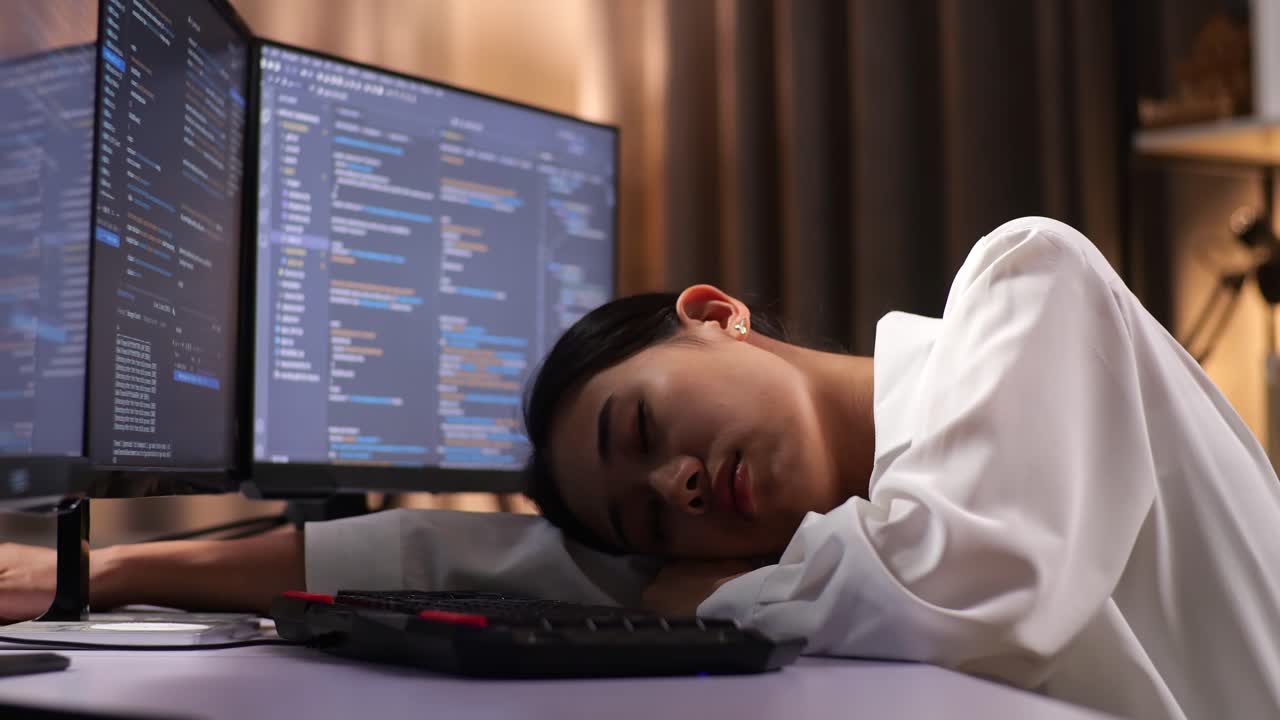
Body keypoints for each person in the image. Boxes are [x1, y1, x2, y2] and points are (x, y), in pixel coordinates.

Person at [2, 217, 1278, 720]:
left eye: (639, 431)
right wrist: (101, 569)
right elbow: (468, 554)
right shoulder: (805, 554)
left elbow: (964, 595)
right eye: (644, 518)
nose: (673, 489)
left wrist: (672, 589)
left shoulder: (1025, 291)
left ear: (713, 312)